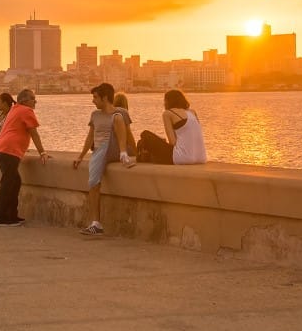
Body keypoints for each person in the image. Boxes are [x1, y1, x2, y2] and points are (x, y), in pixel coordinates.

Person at [73, 82, 135, 235]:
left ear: (105, 98)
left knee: (118, 116)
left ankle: (123, 154)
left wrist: (135, 152)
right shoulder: (95, 115)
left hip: (115, 148)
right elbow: (90, 139)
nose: (93, 101)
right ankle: (96, 223)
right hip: (101, 150)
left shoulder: (119, 113)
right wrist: (80, 157)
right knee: (93, 183)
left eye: (95, 97)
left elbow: (129, 135)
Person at [0, 89, 46, 225]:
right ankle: (2, 217)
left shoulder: (15, 109)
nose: (35, 101)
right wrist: (42, 152)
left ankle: (11, 215)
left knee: (14, 182)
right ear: (25, 100)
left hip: (0, 148)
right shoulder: (26, 111)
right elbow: (34, 133)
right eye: (33, 98)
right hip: (9, 150)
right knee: (8, 183)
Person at [135, 90, 208, 165]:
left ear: (168, 101)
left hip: (182, 158)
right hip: (201, 158)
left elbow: (172, 142)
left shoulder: (168, 113)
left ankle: (146, 155)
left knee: (145, 134)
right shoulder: (192, 112)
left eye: (165, 101)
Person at [113, 92, 138, 168]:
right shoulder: (123, 112)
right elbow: (129, 135)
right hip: (120, 151)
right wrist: (136, 152)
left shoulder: (108, 113)